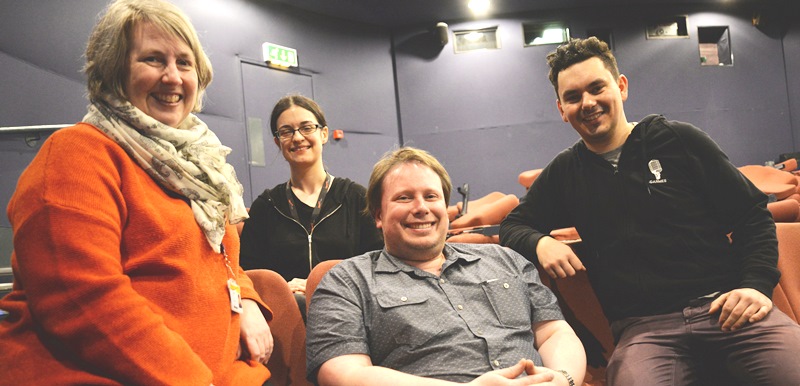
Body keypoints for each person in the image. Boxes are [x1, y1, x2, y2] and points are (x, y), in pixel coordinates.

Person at [0, 1, 274, 384]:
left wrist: (246, 298)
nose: (173, 77)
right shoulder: (77, 153)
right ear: (114, 71)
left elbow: (218, 256)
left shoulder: (197, 164)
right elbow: (82, 300)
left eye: (184, 62)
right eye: (153, 59)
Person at [500, 37, 800, 385]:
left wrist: (757, 286)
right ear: (561, 109)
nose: (587, 103)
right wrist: (539, 242)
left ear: (621, 86)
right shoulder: (566, 172)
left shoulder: (680, 140)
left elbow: (752, 214)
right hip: (645, 330)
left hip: (726, 307)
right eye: (573, 97)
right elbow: (513, 224)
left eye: (597, 88)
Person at [306, 147, 586, 386]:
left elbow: (554, 332)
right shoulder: (347, 281)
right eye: (404, 198)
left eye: (431, 196)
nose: (421, 208)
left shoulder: (505, 259)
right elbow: (343, 373)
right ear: (379, 215)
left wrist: (563, 379)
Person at [239, 94, 383, 318]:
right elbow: (248, 274)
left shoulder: (355, 198)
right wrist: (282, 289)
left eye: (307, 128)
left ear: (323, 134)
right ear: (278, 142)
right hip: (287, 316)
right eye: (286, 131)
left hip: (350, 311)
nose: (297, 138)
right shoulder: (266, 206)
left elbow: (378, 264)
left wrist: (318, 284)